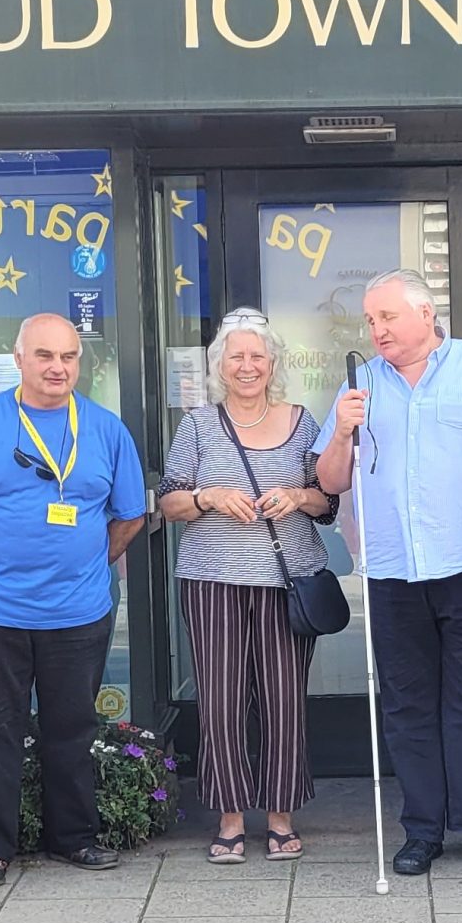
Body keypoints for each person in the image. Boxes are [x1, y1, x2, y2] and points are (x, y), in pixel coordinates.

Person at [317, 269, 462, 880]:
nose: (376, 329)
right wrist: (340, 429)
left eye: (386, 317)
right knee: (408, 705)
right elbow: (331, 481)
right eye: (370, 320)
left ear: (426, 314)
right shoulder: (358, 386)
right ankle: (422, 830)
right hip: (393, 572)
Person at [0, 314, 149, 889]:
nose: (58, 368)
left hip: (79, 612)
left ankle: (74, 838)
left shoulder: (106, 429)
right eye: (45, 356)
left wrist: (86, 564)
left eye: (69, 357)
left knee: (73, 729)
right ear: (19, 359)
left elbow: (130, 515)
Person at [156, 309, 334, 864]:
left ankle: (280, 814)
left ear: (274, 363)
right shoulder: (198, 425)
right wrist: (209, 497)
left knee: (285, 699)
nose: (248, 365)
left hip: (287, 580)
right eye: (236, 356)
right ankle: (231, 815)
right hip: (213, 579)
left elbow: (327, 500)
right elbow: (170, 500)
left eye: (257, 355)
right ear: (220, 366)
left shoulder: (303, 420)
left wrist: (295, 495)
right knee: (221, 700)